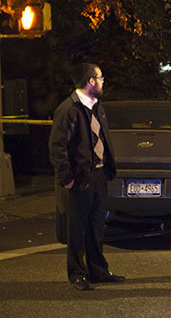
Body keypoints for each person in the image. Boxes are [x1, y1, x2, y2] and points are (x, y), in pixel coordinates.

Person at [48, 63, 125, 291]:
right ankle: (77, 273)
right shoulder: (69, 109)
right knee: (77, 228)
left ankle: (98, 270)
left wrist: (108, 167)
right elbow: (57, 146)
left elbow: (101, 138)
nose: (103, 81)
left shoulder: (96, 107)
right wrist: (67, 178)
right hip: (80, 178)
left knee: (96, 226)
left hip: (99, 175)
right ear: (91, 80)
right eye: (100, 77)